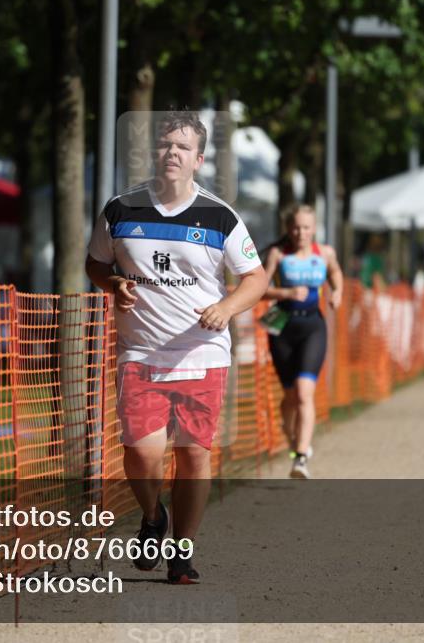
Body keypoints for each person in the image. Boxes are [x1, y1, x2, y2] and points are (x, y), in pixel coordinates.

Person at [85, 111, 268, 584]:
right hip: (140, 351)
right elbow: (96, 263)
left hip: (201, 353)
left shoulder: (219, 215)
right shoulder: (120, 210)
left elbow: (255, 277)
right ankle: (152, 516)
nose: (172, 153)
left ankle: (182, 552)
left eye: (183, 147)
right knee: (141, 453)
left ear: (199, 160)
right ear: (154, 153)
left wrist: (227, 309)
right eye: (166, 145)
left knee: (193, 454)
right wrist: (114, 283)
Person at [260, 205, 343, 478]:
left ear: (314, 228)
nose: (301, 233)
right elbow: (258, 288)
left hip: (312, 327)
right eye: (296, 227)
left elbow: (335, 274)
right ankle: (294, 441)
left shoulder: (325, 253)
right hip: (281, 327)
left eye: (306, 227)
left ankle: (300, 458)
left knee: (305, 393)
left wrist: (337, 292)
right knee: (290, 397)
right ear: (288, 228)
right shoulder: (278, 254)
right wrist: (285, 291)